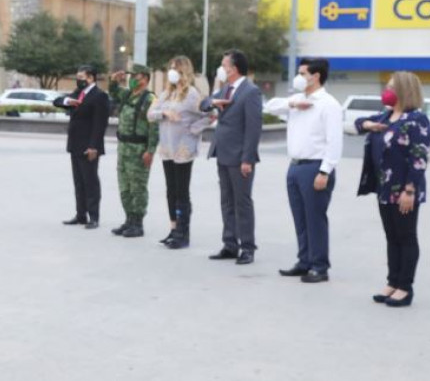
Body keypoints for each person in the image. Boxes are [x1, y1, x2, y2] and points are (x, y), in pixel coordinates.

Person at [356, 72, 430, 307]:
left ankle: (405, 287)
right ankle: (392, 282)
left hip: (404, 189)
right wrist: (368, 124)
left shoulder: (416, 119)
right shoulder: (386, 116)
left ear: (403, 90)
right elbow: (358, 124)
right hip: (384, 188)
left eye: (390, 87)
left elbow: (419, 158)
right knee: (391, 237)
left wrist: (409, 190)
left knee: (406, 237)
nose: (385, 91)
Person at [264, 58, 343, 283]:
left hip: (315, 167)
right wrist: (292, 104)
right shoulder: (298, 99)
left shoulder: (328, 104)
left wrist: (325, 171)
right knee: (300, 218)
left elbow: (334, 142)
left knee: (315, 218)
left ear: (316, 76)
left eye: (303, 73)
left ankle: (320, 266)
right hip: (295, 166)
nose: (299, 77)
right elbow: (269, 106)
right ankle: (304, 261)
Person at [201, 50, 263, 264]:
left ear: (234, 68)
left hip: (240, 157)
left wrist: (248, 159)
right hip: (222, 152)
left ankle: (247, 247)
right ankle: (230, 244)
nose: (221, 68)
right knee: (227, 201)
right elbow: (204, 104)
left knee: (242, 202)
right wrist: (213, 103)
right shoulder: (225, 89)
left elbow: (253, 129)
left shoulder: (250, 92)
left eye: (224, 64)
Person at [147, 56, 211, 249]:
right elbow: (150, 114)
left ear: (184, 71)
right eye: (170, 68)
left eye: (175, 68)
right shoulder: (166, 93)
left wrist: (193, 130)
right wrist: (164, 113)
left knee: (182, 192)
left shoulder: (192, 94)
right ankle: (174, 229)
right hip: (167, 148)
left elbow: (210, 115)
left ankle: (184, 233)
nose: (172, 72)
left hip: (183, 149)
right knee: (171, 191)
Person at [53, 65, 110, 229]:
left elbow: (100, 124)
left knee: (90, 182)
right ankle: (80, 215)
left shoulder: (100, 96)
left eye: (81, 77)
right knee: (79, 182)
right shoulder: (79, 93)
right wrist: (66, 101)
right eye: (77, 77)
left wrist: (94, 146)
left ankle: (94, 217)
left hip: (89, 147)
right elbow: (57, 101)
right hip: (75, 144)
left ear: (91, 78)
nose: (78, 80)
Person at [109, 64, 159, 238]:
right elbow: (113, 92)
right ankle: (129, 219)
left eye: (135, 76)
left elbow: (154, 127)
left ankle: (138, 223)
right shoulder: (128, 95)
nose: (131, 79)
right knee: (124, 186)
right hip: (123, 148)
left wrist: (150, 151)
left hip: (139, 149)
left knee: (137, 187)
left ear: (144, 78)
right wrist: (114, 80)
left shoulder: (150, 99)